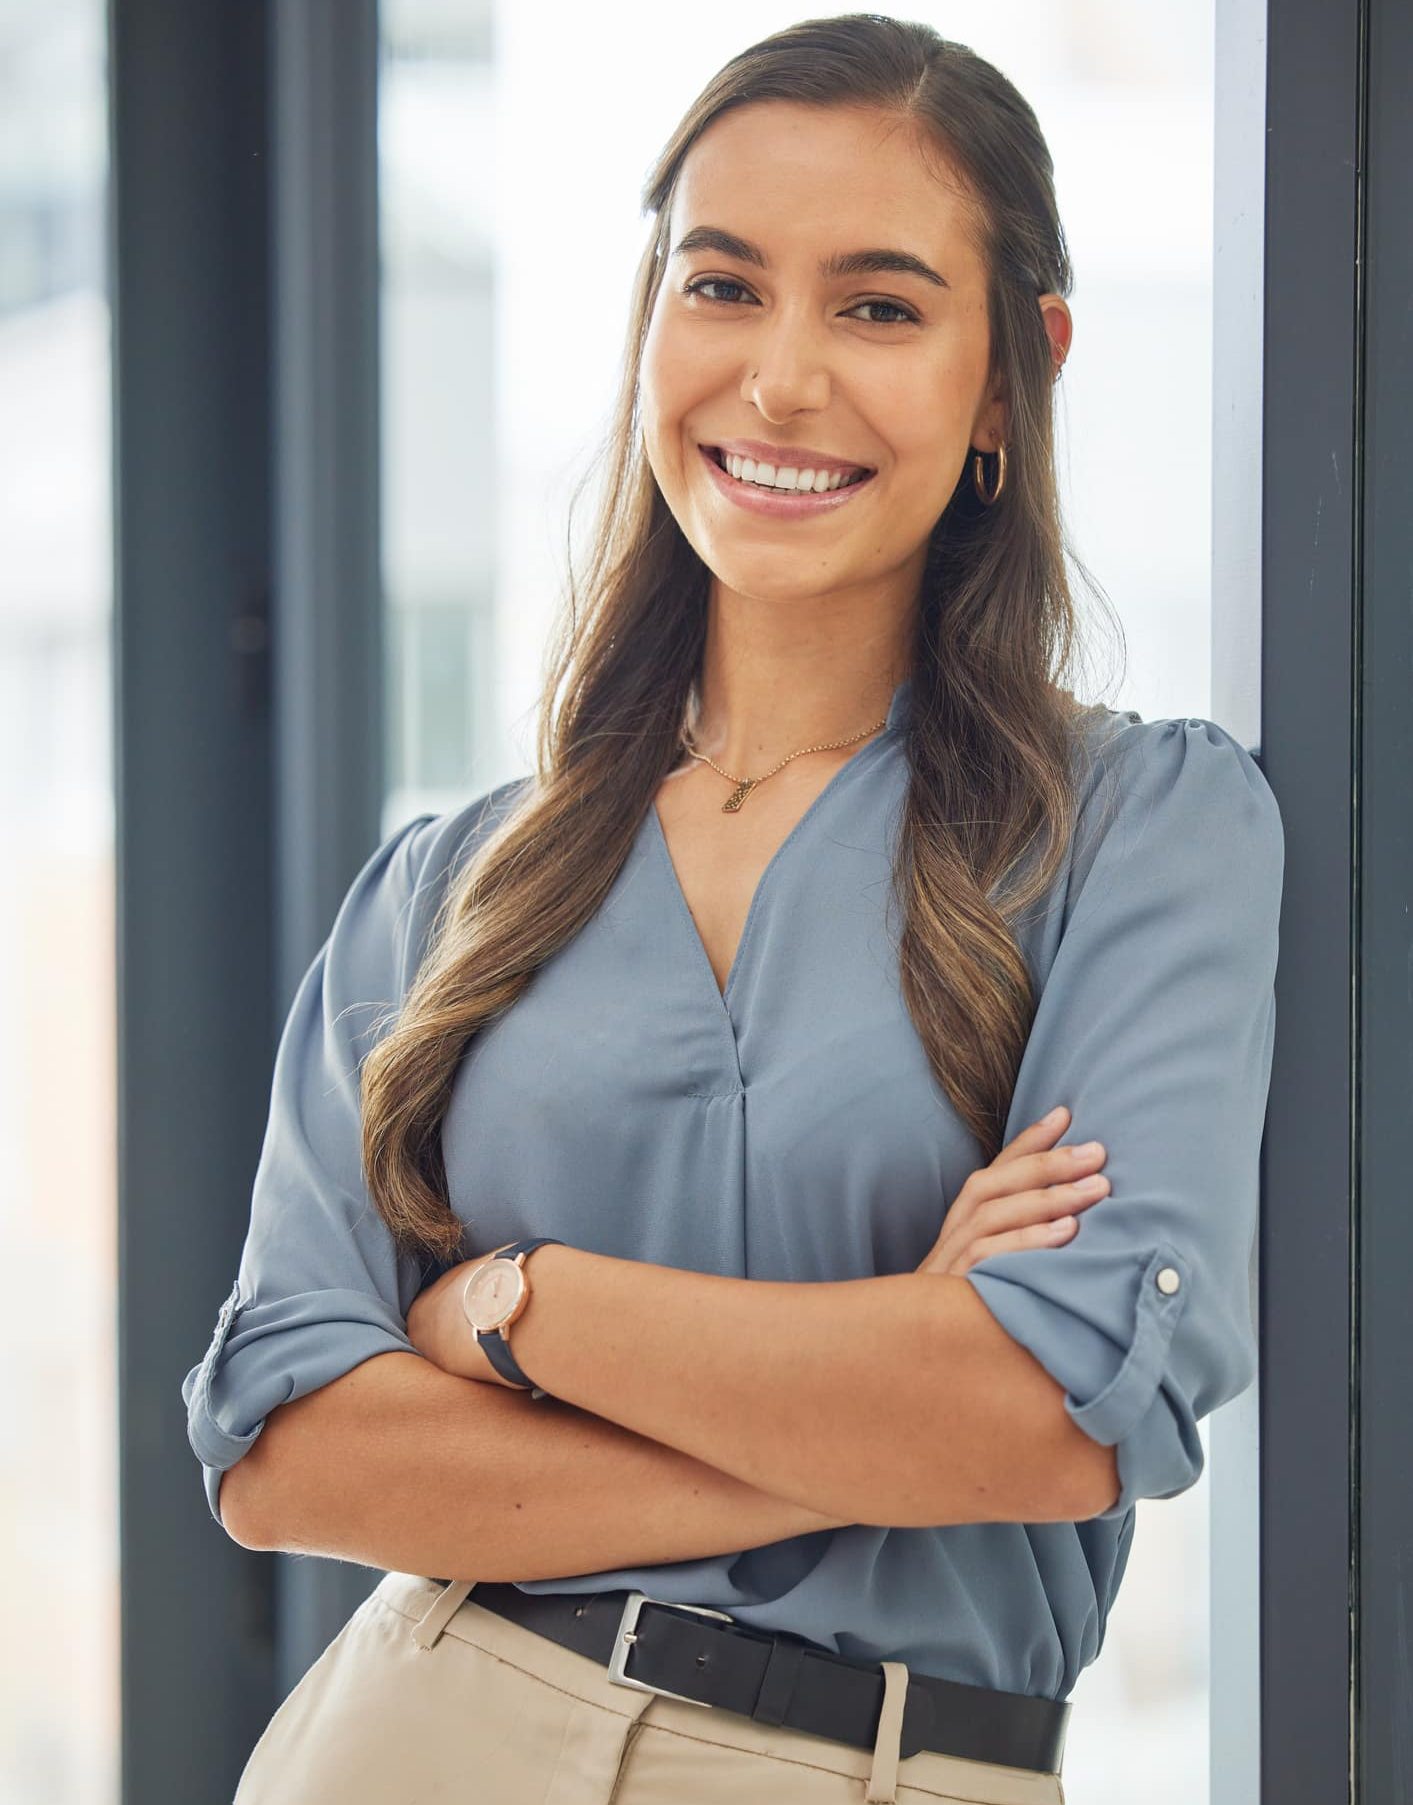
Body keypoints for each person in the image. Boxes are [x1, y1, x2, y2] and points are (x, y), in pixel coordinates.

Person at [181, 15, 1284, 1803]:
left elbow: (1054, 1416)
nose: (777, 381)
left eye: (877, 305)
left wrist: (520, 1310)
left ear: (1013, 372)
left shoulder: (1143, 834)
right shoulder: (451, 890)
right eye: (721, 286)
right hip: (424, 1734)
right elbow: (288, 1450)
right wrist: (874, 1402)